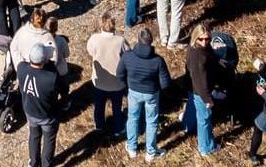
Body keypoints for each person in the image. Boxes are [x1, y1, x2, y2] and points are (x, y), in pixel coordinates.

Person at [118, 27, 171, 160]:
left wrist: (127, 86)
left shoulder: (127, 57)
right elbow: (165, 83)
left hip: (133, 92)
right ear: (151, 41)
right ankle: (151, 153)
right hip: (151, 94)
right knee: (151, 121)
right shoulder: (158, 60)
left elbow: (119, 74)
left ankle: (132, 148)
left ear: (138, 40)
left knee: (133, 118)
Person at [182, 22, 224, 158]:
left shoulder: (197, 48)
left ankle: (187, 126)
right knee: (204, 119)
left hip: (193, 89)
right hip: (200, 92)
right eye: (201, 39)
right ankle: (206, 148)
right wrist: (207, 99)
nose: (205, 41)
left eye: (207, 39)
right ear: (195, 38)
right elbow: (200, 81)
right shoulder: (197, 56)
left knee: (191, 108)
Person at [18, 42, 62, 167]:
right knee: (48, 140)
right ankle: (46, 164)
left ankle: (33, 162)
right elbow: (64, 89)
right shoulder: (51, 77)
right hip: (47, 116)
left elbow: (25, 63)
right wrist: (51, 65)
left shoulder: (21, 68)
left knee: (34, 137)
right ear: (44, 61)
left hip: (30, 111)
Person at [86, 13, 129, 136]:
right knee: (117, 106)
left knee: (99, 105)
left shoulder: (94, 39)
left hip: (99, 82)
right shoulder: (120, 40)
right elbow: (128, 54)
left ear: (101, 25)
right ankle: (118, 128)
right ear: (114, 26)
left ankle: (99, 125)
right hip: (117, 83)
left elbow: (90, 51)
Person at [10, 7, 68, 78]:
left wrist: (19, 67)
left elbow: (13, 47)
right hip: (41, 75)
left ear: (31, 19)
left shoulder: (21, 32)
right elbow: (53, 58)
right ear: (45, 22)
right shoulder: (47, 37)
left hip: (24, 73)